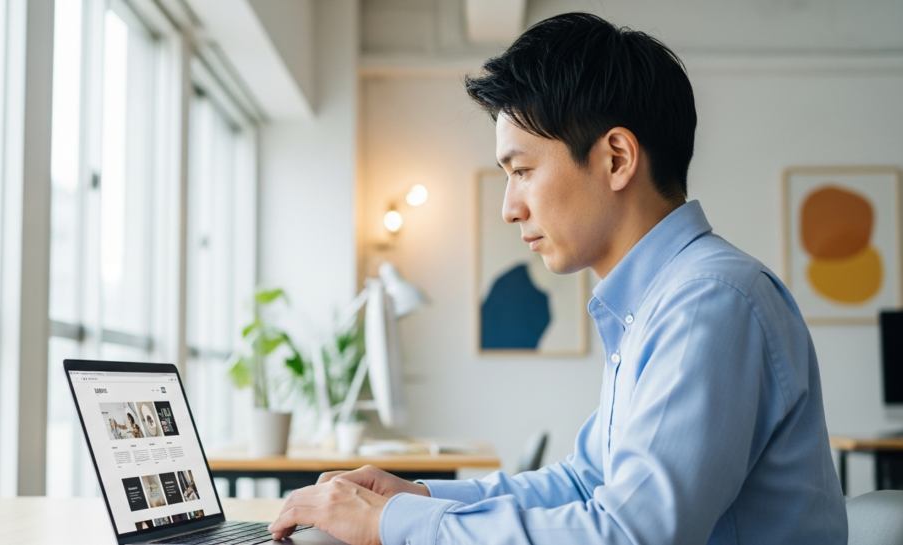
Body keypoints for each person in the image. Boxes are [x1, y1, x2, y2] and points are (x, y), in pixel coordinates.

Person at [268, 12, 847, 545]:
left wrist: (391, 526)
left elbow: (627, 534)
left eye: (522, 170)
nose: (509, 208)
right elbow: (583, 484)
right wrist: (416, 497)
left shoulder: (708, 302)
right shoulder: (657, 303)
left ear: (617, 158)